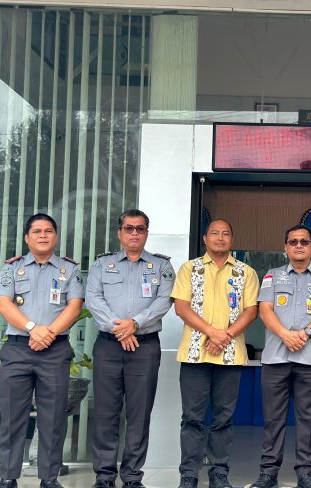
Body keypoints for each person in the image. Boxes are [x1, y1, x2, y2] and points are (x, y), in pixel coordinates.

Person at [86, 209, 175, 488]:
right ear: (119, 232)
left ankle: (132, 476)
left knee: (139, 413)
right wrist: (120, 329)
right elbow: (93, 299)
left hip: (145, 346)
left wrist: (134, 324)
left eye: (140, 228)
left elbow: (164, 301)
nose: (134, 233)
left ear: (147, 232)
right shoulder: (103, 265)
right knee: (106, 412)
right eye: (129, 228)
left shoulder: (162, 266)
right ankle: (104, 476)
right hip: (108, 346)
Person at [0, 213, 84, 488]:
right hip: (18, 349)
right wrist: (34, 328)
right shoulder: (11, 268)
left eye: (48, 231)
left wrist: (49, 333)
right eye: (37, 231)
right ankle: (8, 477)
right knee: (11, 417)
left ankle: (49, 477)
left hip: (54, 350)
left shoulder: (69, 269)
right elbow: (3, 304)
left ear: (55, 237)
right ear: (27, 238)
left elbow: (75, 305)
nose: (43, 235)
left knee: (53, 418)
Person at [248, 225, 311, 488]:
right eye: (293, 242)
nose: (299, 245)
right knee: (273, 420)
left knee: (307, 419)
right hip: (276, 359)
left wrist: (306, 332)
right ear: (286, 247)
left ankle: (306, 473)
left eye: (304, 242)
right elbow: (265, 311)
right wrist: (285, 335)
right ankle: (268, 473)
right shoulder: (272, 276)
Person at [171, 219, 260, 488]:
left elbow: (251, 311)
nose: (220, 238)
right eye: (215, 234)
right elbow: (181, 307)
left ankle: (219, 473)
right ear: (205, 239)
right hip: (194, 355)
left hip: (230, 356)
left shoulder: (246, 272)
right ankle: (188, 474)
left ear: (232, 239)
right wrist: (212, 331)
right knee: (192, 418)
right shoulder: (190, 269)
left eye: (225, 234)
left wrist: (225, 335)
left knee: (223, 418)